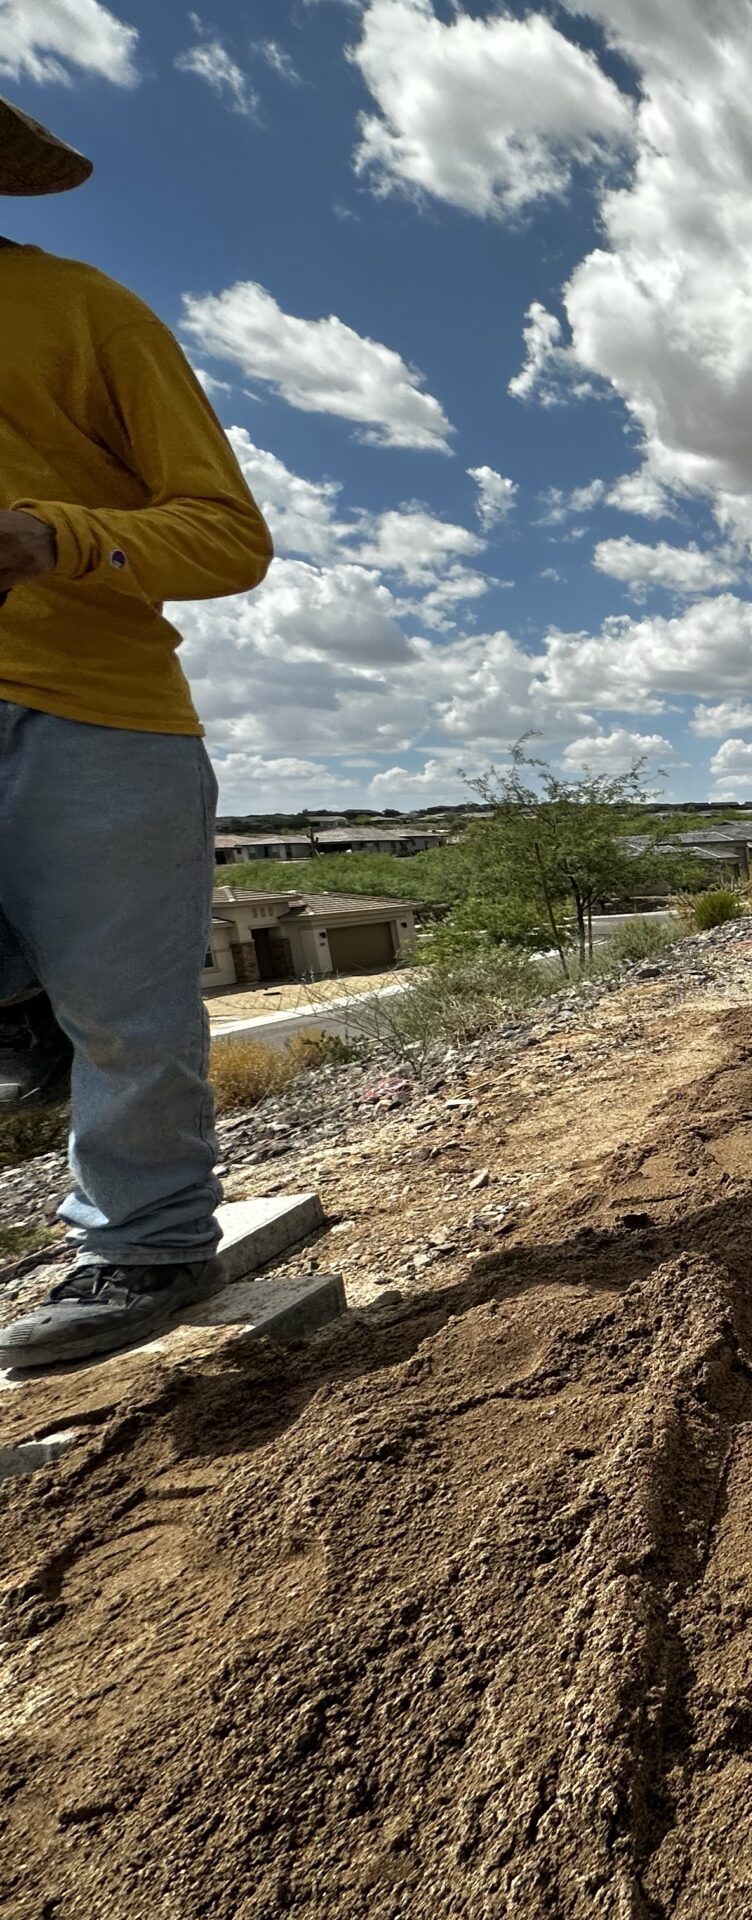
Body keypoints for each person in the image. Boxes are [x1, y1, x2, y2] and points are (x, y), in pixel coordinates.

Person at [0, 97, 274, 1368]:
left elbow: (227, 535)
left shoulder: (85, 313)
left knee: (126, 1010)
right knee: (70, 1009)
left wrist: (58, 536)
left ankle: (145, 1245)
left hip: (97, 706)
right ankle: (21, 1015)